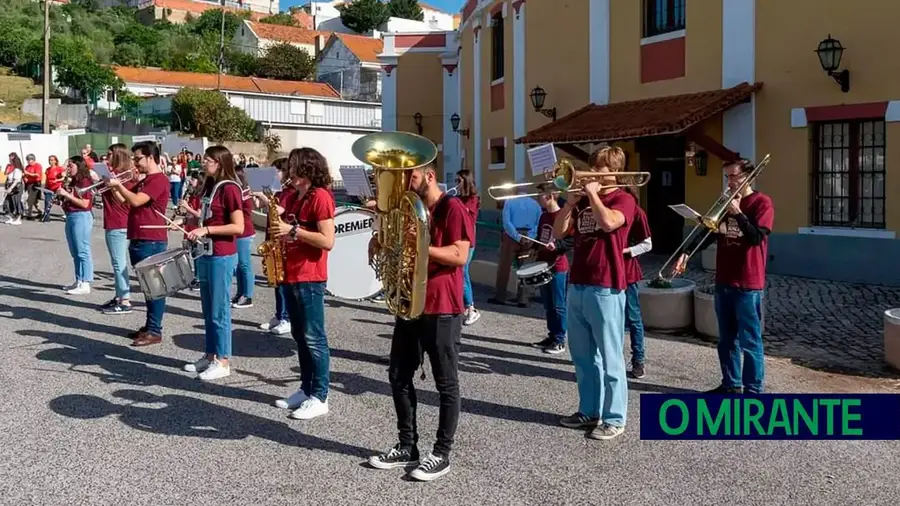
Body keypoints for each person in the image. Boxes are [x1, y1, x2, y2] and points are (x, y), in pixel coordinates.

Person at [367, 161, 473, 482]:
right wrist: (381, 241)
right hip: (409, 301)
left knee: (446, 383)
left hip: (442, 306)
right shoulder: (406, 209)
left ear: (429, 175)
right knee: (398, 374)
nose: (405, 183)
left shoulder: (452, 207)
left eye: (410, 176)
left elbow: (459, 256)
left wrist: (421, 246)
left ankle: (441, 454)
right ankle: (407, 445)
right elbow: (401, 249)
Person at [552, 146, 636, 441]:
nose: (591, 174)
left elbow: (609, 222)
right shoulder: (584, 200)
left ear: (614, 171)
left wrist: (594, 195)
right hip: (579, 282)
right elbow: (559, 232)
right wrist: (570, 203)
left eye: (598, 170)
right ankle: (589, 410)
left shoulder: (625, 199)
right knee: (583, 356)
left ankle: (615, 418)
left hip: (607, 285)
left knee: (611, 357)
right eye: (592, 169)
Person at [674, 159, 774, 394]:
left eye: (733, 176)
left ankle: (753, 390)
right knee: (726, 339)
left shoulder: (762, 203)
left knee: (750, 341)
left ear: (748, 177)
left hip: (748, 282)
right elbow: (709, 233)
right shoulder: (725, 202)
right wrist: (687, 253)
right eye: (727, 177)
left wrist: (738, 213)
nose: (729, 182)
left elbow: (756, 238)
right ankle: (731, 384)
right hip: (724, 279)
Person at [271, 148, 335, 420]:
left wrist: (293, 231)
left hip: (310, 276)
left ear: (308, 169)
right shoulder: (298, 196)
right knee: (299, 335)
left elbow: (327, 240)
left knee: (314, 337)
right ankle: (306, 389)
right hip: (291, 273)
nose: (290, 175)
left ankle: (321, 396)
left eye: (294, 170)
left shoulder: (320, 197)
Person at [181, 146, 245, 381]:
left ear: (220, 163)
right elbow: (208, 216)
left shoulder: (229, 188)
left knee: (219, 310)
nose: (203, 164)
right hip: (206, 252)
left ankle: (223, 360)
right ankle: (210, 355)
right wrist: (191, 221)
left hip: (222, 254)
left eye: (208, 160)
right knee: (208, 310)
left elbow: (237, 226)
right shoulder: (210, 186)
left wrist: (206, 229)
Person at [106, 141, 170, 347]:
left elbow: (135, 201)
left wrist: (119, 186)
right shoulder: (145, 180)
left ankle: (154, 329)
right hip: (140, 238)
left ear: (150, 157)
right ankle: (149, 326)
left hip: (151, 239)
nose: (135, 162)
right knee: (147, 288)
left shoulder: (158, 180)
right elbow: (126, 202)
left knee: (155, 288)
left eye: (138, 158)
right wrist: (114, 188)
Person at [255, 158, 293, 335]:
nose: (273, 174)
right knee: (275, 279)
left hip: (283, 238)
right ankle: (279, 315)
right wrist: (257, 195)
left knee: (282, 279)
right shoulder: (278, 190)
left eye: (276, 171)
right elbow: (260, 206)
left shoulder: (289, 191)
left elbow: (279, 211)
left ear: (284, 172)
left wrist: (263, 195)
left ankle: (286, 318)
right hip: (272, 236)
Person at [99, 144, 137, 315]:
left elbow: (124, 201)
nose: (106, 158)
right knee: (116, 262)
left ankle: (125, 300)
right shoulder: (115, 174)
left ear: (119, 156)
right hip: (112, 221)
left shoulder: (127, 177)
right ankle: (119, 295)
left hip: (120, 223)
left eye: (109, 154)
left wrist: (113, 185)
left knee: (118, 263)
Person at [532, 186, 570, 355]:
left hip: (558, 266)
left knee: (559, 305)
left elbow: (569, 241)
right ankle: (552, 335)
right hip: (542, 264)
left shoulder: (563, 215)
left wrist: (557, 246)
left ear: (551, 196)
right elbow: (541, 236)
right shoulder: (543, 216)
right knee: (548, 305)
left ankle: (560, 340)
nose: (538, 198)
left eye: (540, 195)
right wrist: (533, 245)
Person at [488, 186, 541, 307]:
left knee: (504, 268)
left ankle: (500, 296)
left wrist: (517, 236)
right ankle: (523, 299)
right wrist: (531, 236)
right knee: (525, 268)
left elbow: (506, 222)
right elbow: (538, 223)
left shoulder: (510, 201)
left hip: (511, 237)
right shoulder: (536, 205)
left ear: (516, 191)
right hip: (529, 236)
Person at [56, 156, 95, 295]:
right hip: (71, 215)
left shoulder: (85, 181)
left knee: (82, 250)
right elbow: (72, 199)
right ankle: (79, 280)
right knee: (75, 251)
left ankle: (86, 282)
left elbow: (85, 203)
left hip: (81, 216)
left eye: (71, 166)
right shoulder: (74, 181)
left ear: (79, 166)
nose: (68, 168)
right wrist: (62, 198)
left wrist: (67, 194)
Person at [623, 199, 652, 379]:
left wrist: (627, 251)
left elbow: (647, 244)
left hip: (627, 272)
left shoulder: (637, 212)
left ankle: (638, 360)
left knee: (633, 318)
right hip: (606, 273)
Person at [454, 169, 481, 326]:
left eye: (459, 181)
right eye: (455, 181)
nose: (456, 184)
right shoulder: (457, 198)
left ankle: (471, 308)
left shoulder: (473, 199)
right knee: (459, 272)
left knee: (463, 271)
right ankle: (462, 306)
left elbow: (466, 214)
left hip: (468, 240)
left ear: (466, 181)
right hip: (456, 239)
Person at [231, 166, 256, 309]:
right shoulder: (238, 192)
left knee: (244, 264)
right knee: (239, 266)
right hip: (238, 232)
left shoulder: (245, 193)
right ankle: (240, 293)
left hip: (245, 232)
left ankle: (248, 295)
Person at [42, 155, 65, 222]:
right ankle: (46, 217)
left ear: (55, 161)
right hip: (49, 188)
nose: (51, 161)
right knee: (47, 202)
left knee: (61, 202)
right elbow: (47, 180)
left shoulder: (59, 168)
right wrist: (45, 187)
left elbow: (64, 177)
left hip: (57, 187)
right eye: (50, 160)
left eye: (52, 160)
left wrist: (57, 180)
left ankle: (67, 214)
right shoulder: (48, 169)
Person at [3, 153, 24, 225]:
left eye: (11, 159)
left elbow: (16, 180)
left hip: (16, 187)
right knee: (8, 202)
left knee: (16, 202)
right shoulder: (12, 169)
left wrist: (10, 188)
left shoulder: (17, 170)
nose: (9, 160)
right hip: (10, 187)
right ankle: (11, 217)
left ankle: (18, 218)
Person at [23, 154, 43, 219]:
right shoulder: (27, 167)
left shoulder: (37, 166)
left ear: (33, 159)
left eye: (29, 160)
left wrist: (28, 173)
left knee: (30, 200)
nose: (28, 161)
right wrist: (25, 177)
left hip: (35, 184)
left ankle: (29, 214)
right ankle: (41, 212)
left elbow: (37, 175)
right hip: (29, 184)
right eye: (27, 160)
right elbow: (26, 176)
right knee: (34, 200)